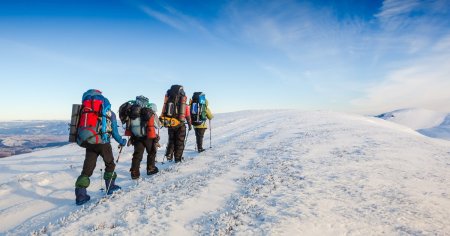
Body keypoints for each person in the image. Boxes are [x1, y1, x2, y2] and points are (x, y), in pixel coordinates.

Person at [74, 89, 127, 205]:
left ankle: (80, 196)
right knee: (110, 164)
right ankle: (110, 187)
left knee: (87, 169)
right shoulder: (108, 112)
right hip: (103, 143)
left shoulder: (84, 110)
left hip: (89, 142)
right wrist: (122, 141)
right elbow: (115, 133)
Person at [123, 95, 161, 179]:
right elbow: (158, 125)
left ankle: (134, 173)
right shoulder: (149, 111)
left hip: (136, 136)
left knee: (137, 154)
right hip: (148, 136)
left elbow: (126, 124)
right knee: (151, 152)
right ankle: (151, 169)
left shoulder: (131, 111)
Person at [160, 85, 192, 163]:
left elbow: (164, 110)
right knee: (179, 142)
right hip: (180, 124)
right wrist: (190, 125)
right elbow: (187, 114)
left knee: (171, 140)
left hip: (170, 123)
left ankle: (169, 154)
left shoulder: (168, 99)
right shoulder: (183, 101)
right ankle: (177, 158)